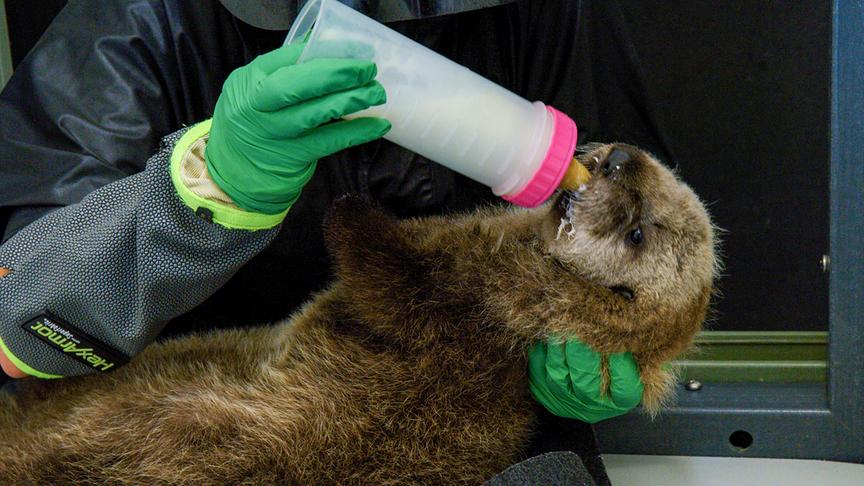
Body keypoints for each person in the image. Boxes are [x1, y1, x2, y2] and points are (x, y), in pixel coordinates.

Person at [0, 0, 669, 482]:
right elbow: (18, 316)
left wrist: (624, 347)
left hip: (472, 412)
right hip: (204, 408)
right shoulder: (136, 22)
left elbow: (647, 227)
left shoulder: (546, 13)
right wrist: (200, 193)